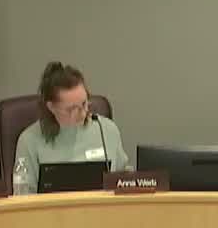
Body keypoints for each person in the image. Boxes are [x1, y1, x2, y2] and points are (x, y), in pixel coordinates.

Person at [11, 61, 131, 194]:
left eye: (84, 104)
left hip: (100, 206)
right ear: (51, 107)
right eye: (71, 109)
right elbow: (23, 196)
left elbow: (124, 181)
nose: (83, 113)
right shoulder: (29, 141)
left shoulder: (107, 130)